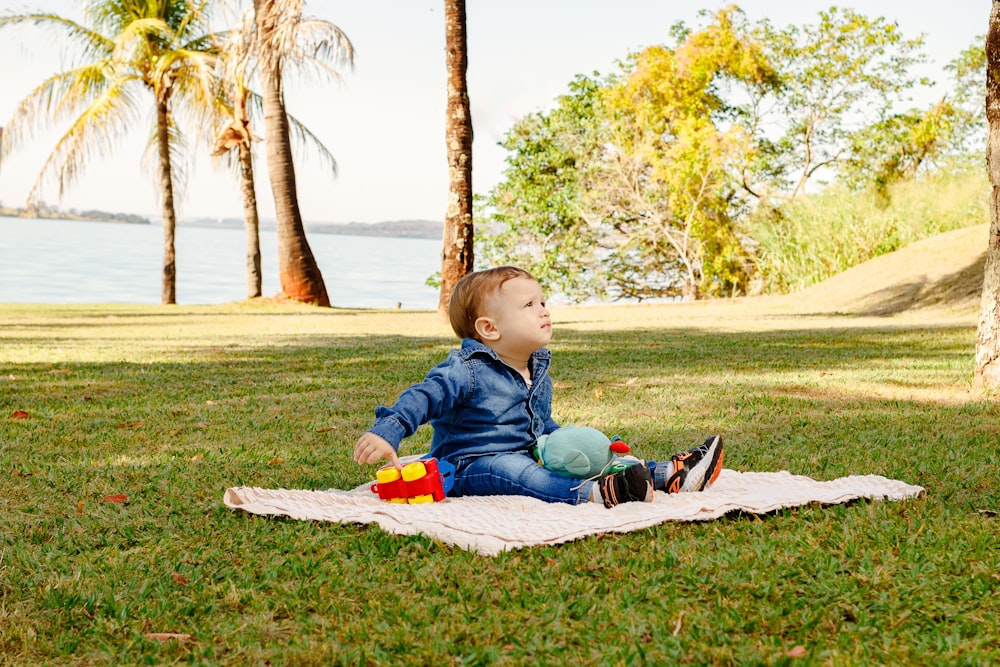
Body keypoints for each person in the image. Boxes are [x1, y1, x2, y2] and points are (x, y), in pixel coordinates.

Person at [353, 266, 723, 508]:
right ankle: (594, 494)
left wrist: (575, 444)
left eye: (543, 301)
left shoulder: (535, 366)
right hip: (471, 464)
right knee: (518, 472)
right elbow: (423, 396)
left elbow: (540, 425)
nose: (544, 309)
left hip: (530, 449)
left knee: (587, 449)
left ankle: (664, 473)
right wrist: (390, 430)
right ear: (489, 329)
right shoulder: (466, 371)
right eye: (529, 305)